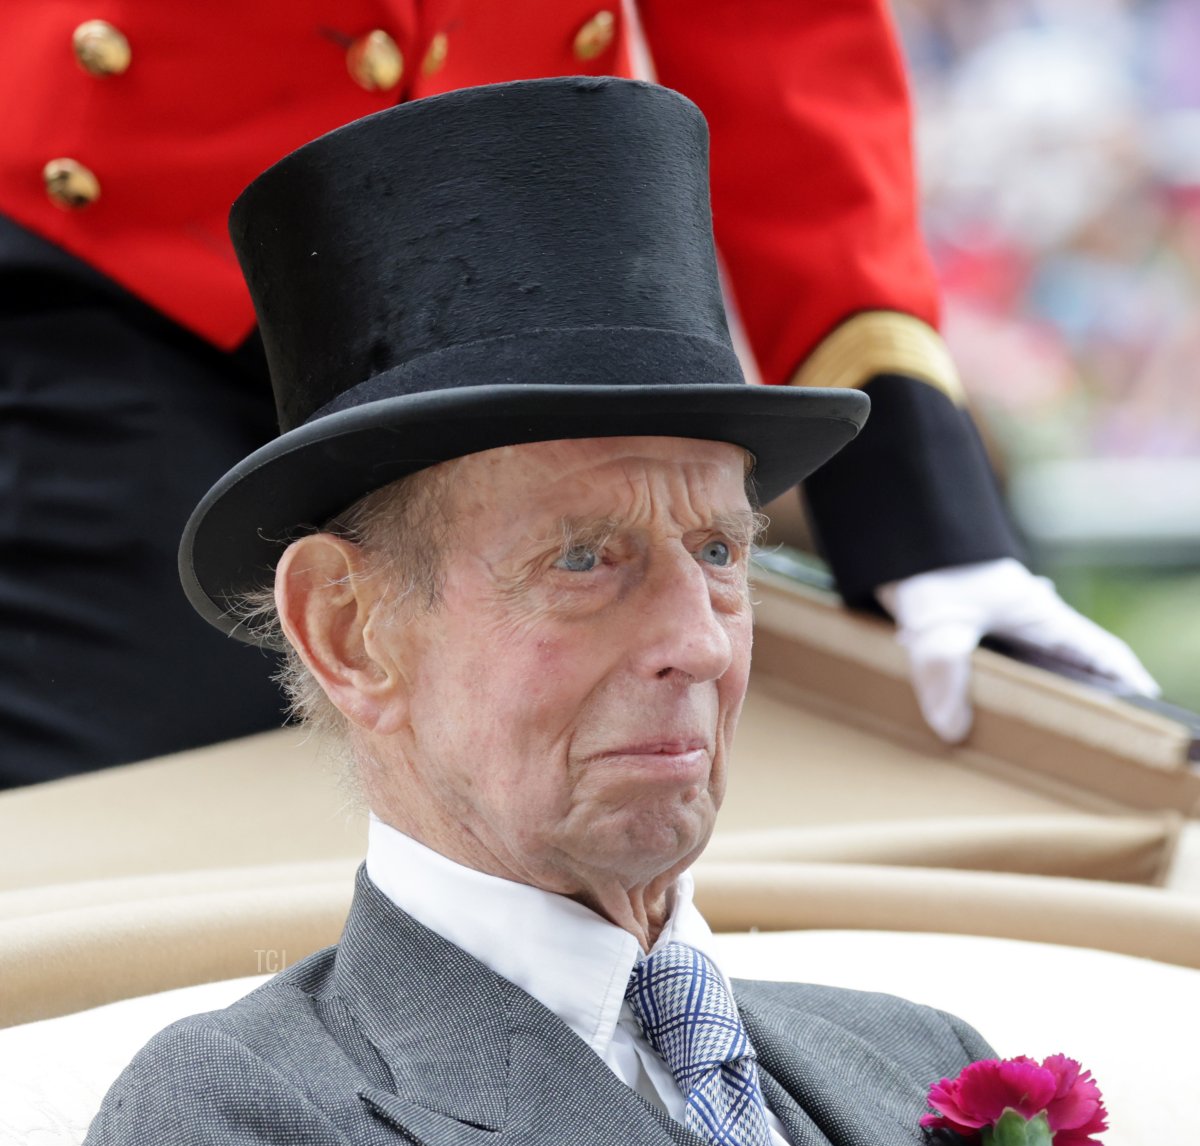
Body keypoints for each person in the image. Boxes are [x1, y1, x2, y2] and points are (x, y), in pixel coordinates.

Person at [60, 81, 1199, 1146]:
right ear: (348, 627)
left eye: (722, 549)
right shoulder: (248, 1137)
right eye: (585, 558)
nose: (694, 641)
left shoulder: (905, 1054)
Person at [0, 1, 1154, 788]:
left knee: (589, 816)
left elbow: (784, 42)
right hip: (116, 277)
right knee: (144, 847)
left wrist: (919, 515)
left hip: (524, 240)